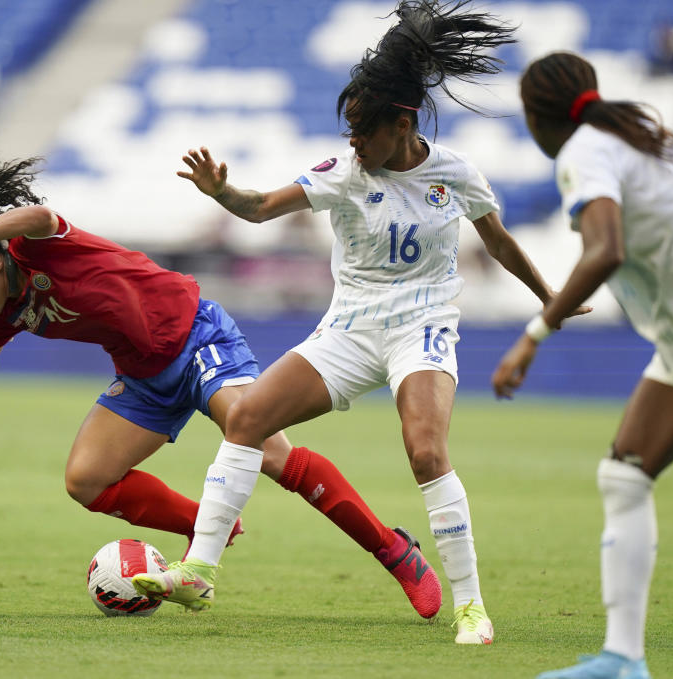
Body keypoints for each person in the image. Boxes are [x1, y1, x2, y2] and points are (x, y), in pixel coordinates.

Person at [133, 0, 585, 644]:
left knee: (426, 451)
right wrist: (222, 193)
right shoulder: (345, 173)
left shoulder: (454, 173)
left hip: (421, 324)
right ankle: (200, 569)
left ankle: (471, 607)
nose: (352, 144)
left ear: (401, 124)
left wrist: (549, 296)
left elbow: (500, 242)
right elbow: (260, 207)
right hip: (349, 328)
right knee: (247, 418)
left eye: (362, 133)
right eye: (347, 132)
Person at [0, 152, 445, 620]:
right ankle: (212, 529)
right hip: (144, 376)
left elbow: (39, 213)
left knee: (270, 454)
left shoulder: (37, 246)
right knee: (86, 479)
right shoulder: (1, 314)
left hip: (198, 338)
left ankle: (396, 552)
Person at [491, 51, 673, 679]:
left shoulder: (586, 151)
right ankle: (623, 659)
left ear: (535, 116)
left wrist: (533, 334)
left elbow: (606, 250)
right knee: (625, 474)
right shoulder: (641, 138)